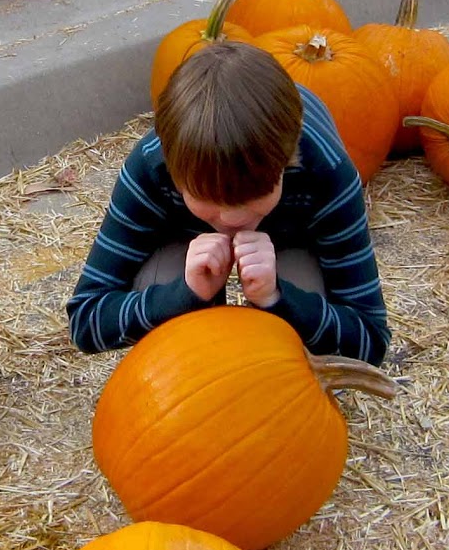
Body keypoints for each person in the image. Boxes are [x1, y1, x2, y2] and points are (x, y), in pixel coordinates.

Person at [67, 39, 389, 363]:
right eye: (207, 197)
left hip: (295, 242)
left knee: (300, 279)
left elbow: (371, 340)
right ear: (175, 176)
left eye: (257, 194)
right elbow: (86, 319)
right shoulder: (150, 168)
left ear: (287, 164)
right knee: (163, 275)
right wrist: (184, 294)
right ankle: (191, 377)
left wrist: (277, 297)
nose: (233, 218)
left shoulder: (326, 172)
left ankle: (279, 381)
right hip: (185, 244)